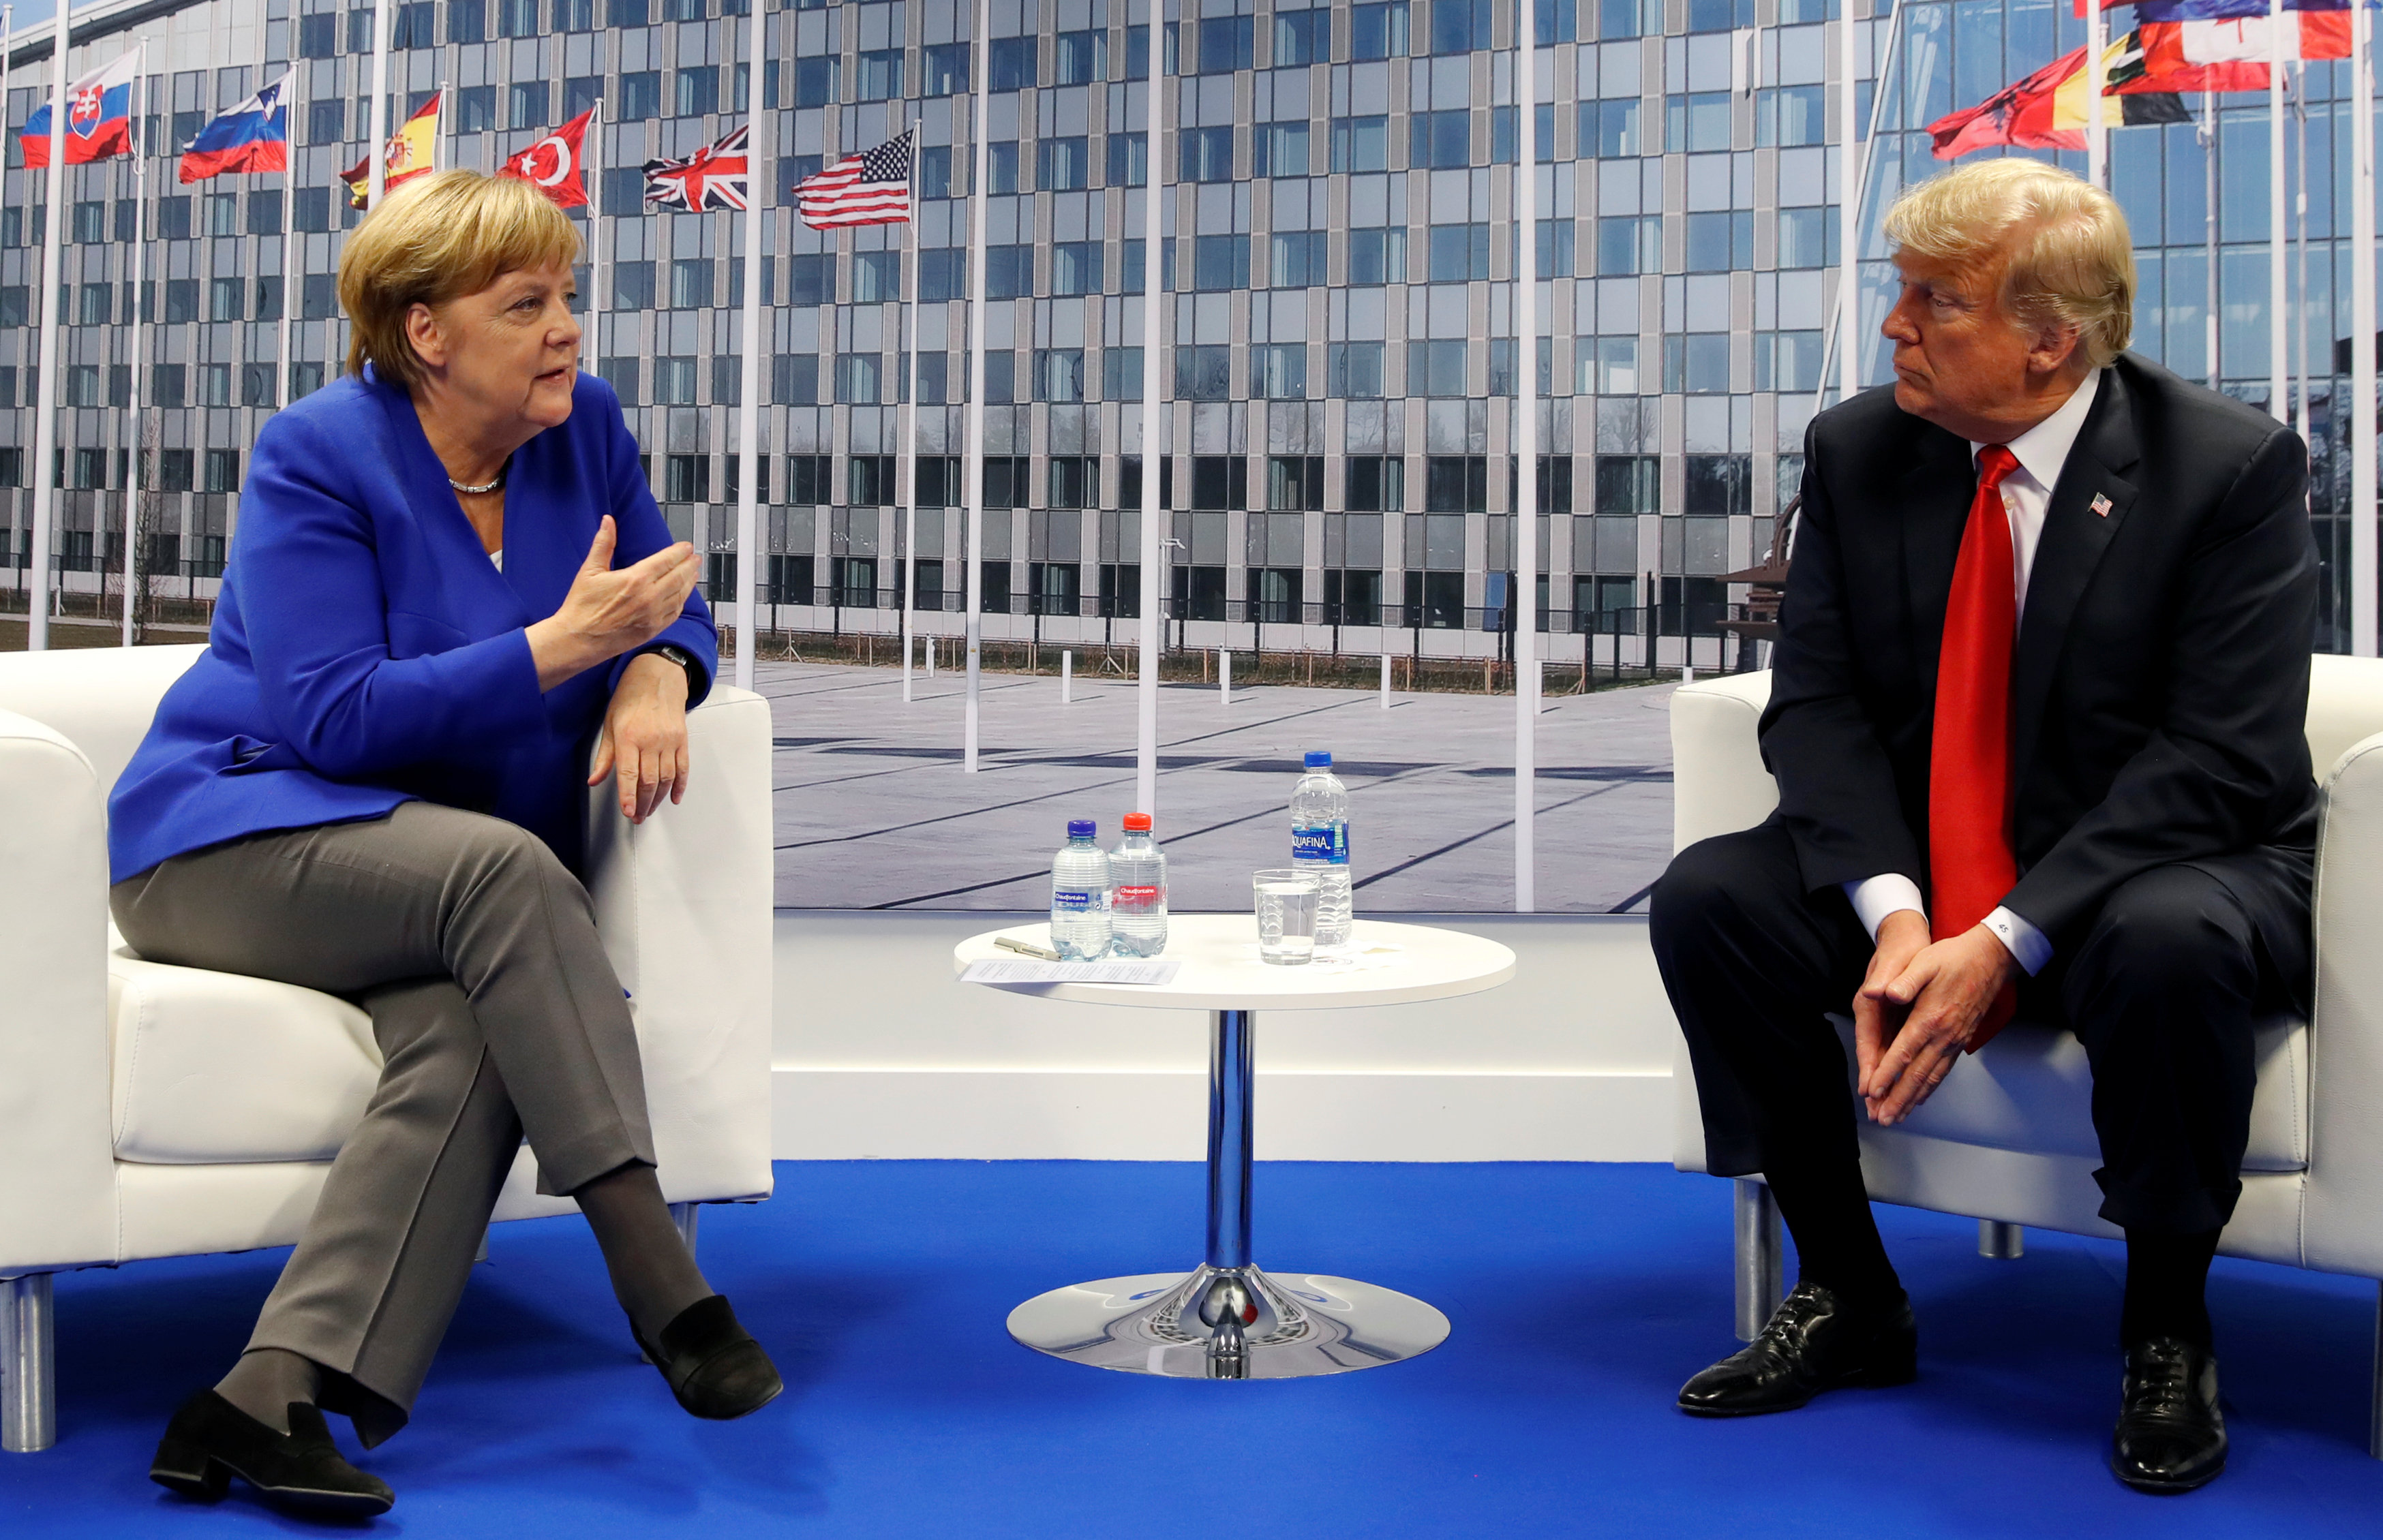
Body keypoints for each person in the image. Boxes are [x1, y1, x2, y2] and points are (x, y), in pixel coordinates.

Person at [108, 170, 781, 1519]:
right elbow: (333, 715)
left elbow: (666, 603)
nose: (567, 331)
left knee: (477, 1022)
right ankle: (658, 1277)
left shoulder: (582, 428)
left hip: (436, 884)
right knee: (503, 871)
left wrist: (658, 672)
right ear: (426, 333)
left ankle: (260, 1393)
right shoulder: (316, 452)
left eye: (567, 299)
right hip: (232, 838)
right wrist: (563, 649)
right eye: (525, 303)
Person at [1650, 158, 2314, 1494]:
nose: (1892, 326)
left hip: (2155, 861)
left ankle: (2164, 1325)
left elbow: (2215, 757)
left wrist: (2003, 937)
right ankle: (1847, 1290)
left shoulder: (2224, 470)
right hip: (1929, 861)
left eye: (1929, 302)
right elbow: (1819, 709)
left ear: (2043, 339)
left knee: (2169, 937)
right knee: (1711, 897)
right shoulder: (1858, 449)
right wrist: (1899, 919)